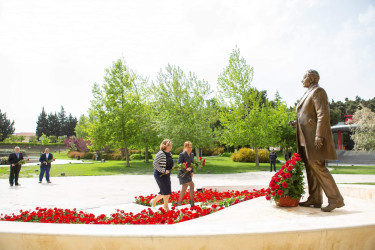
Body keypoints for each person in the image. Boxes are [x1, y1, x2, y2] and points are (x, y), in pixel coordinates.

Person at [289, 69, 344, 212]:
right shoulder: (308, 93)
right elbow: (308, 115)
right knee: (310, 167)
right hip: (305, 138)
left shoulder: (318, 91)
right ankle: (315, 198)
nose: (302, 81)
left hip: (313, 138)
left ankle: (335, 199)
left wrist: (319, 135)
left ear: (311, 79)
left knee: (318, 166)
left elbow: (323, 115)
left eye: (303, 78)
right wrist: (297, 122)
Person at [151, 139, 174, 211]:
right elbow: (154, 164)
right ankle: (165, 206)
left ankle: (154, 201)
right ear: (165, 146)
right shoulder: (160, 153)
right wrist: (163, 170)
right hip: (159, 174)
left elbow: (170, 163)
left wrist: (172, 168)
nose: (170, 146)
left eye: (170, 145)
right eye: (169, 145)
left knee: (164, 191)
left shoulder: (170, 154)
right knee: (166, 190)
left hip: (167, 174)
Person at [177, 141, 195, 207]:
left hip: (189, 174)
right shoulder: (182, 154)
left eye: (191, 147)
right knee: (192, 185)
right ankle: (192, 202)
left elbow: (192, 164)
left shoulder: (192, 154)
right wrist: (186, 169)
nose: (190, 148)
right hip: (183, 173)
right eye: (188, 147)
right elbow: (179, 164)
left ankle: (178, 203)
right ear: (185, 147)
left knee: (184, 188)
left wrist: (192, 171)